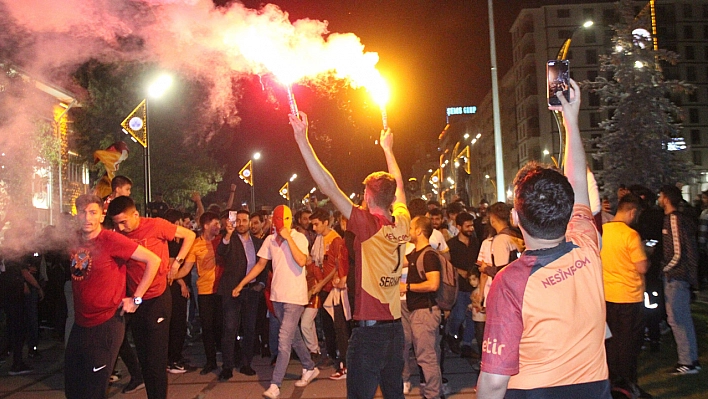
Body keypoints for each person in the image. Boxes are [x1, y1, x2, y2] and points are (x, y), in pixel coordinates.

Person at [476, 79, 611, 398]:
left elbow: (494, 381)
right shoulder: (586, 244)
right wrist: (571, 119)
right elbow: (578, 183)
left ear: (516, 218)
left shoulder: (509, 282)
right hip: (595, 390)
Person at [291, 111, 410, 399]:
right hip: (395, 331)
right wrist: (388, 150)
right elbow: (400, 186)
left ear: (368, 198)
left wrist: (301, 138)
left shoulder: (367, 226)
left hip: (369, 335)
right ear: (392, 200)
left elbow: (328, 186)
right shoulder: (402, 222)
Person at [65, 194, 161, 399]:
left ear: (101, 216)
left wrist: (136, 298)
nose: (87, 217)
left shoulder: (111, 239)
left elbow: (153, 260)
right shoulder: (75, 240)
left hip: (106, 324)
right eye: (82, 212)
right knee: (73, 390)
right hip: (81, 324)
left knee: (94, 391)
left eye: (93, 212)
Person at [107, 196, 196, 398]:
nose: (120, 228)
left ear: (136, 214)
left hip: (157, 299)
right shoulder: (118, 236)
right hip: (134, 302)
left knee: (156, 360)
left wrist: (177, 263)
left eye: (123, 222)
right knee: (145, 358)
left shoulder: (156, 225)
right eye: (116, 224)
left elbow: (189, 235)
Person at [232, 205, 319, 399]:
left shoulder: (299, 238)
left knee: (283, 340)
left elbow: (302, 261)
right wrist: (241, 284)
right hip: (277, 297)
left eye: (283, 219)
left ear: (289, 220)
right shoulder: (270, 240)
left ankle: (275, 384)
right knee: (293, 336)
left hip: (295, 298)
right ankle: (309, 367)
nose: (280, 223)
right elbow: (260, 265)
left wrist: (288, 237)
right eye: (277, 219)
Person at [601, 194, 650, 394]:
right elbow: (642, 267)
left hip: (608, 295)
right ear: (632, 211)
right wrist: (648, 256)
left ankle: (613, 381)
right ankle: (628, 384)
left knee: (612, 342)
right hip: (629, 296)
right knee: (629, 344)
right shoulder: (630, 235)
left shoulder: (603, 232)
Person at [215, 209, 264, 381]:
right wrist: (227, 235)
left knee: (250, 329)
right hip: (232, 291)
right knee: (229, 328)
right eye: (239, 220)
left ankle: (246, 363)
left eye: (245, 220)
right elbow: (221, 251)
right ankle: (227, 366)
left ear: (250, 222)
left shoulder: (257, 242)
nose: (242, 223)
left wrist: (261, 284)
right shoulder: (230, 239)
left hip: (252, 291)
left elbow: (264, 264)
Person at [173, 212, 224, 375]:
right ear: (206, 225)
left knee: (222, 325)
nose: (218, 227)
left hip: (222, 289)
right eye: (215, 224)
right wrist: (171, 275)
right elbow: (187, 268)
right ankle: (211, 361)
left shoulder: (222, 240)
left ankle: (229, 357)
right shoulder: (195, 244)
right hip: (205, 290)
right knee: (207, 327)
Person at [658, 185, 701, 375]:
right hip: (678, 275)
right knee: (680, 318)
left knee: (677, 319)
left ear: (666, 198)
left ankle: (687, 362)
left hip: (676, 276)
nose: (659, 199)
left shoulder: (673, 219)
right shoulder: (676, 219)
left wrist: (664, 269)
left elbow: (677, 251)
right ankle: (690, 359)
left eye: (661, 196)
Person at [399, 216, 443, 399]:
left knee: (427, 357)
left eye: (410, 228)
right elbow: (395, 265)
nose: (408, 231)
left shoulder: (429, 255)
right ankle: (431, 391)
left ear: (418, 231)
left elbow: (433, 284)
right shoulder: (415, 254)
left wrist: (407, 287)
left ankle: (433, 394)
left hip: (426, 311)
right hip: (417, 310)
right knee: (424, 354)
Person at [308, 207, 350, 379]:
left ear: (326, 222)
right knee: (327, 326)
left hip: (335, 290)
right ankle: (334, 357)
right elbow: (317, 264)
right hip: (324, 289)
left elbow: (336, 269)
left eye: (316, 224)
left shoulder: (336, 240)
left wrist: (321, 284)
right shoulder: (318, 239)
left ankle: (344, 363)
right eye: (312, 225)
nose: (314, 228)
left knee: (340, 327)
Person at [445, 211, 479, 358]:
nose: (471, 229)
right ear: (459, 227)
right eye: (468, 226)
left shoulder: (476, 243)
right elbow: (447, 264)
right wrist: (459, 271)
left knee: (472, 317)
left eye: (472, 225)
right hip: (458, 287)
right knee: (458, 315)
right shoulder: (451, 245)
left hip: (473, 287)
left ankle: (466, 345)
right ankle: (450, 334)